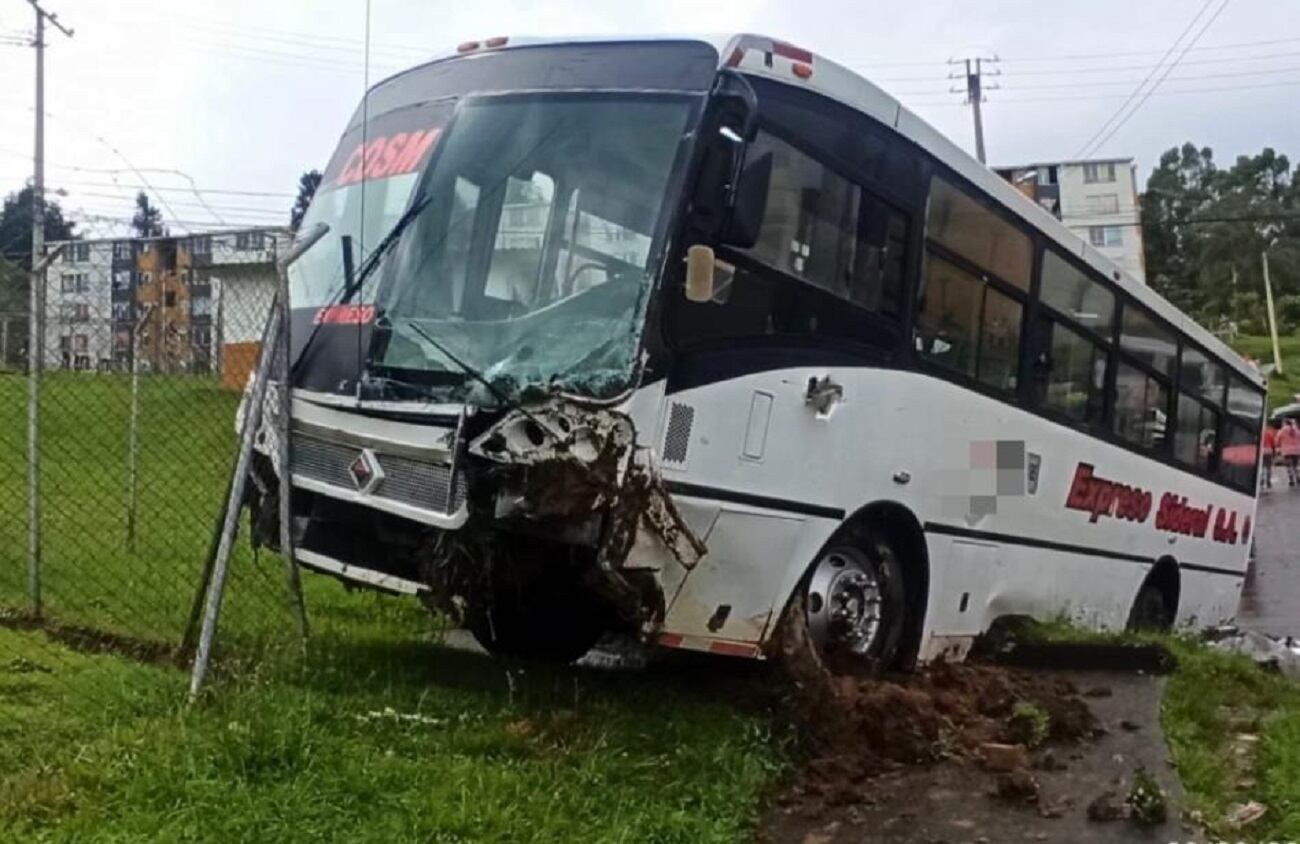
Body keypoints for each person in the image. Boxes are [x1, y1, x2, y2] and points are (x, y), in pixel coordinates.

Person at [1278, 418, 1300, 487]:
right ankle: (1298, 477)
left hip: (1286, 451)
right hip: (1296, 451)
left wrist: (1279, 446)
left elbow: (1277, 439)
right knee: (1296, 465)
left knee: (1289, 466)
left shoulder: (1282, 430)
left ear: (1285, 423)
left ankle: (1291, 480)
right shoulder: (1297, 430)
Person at [1262, 421, 1279, 489]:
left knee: (1261, 467)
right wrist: (1274, 452)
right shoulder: (1269, 433)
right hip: (1269, 451)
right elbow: (1273, 444)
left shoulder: (1259, 433)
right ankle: (1268, 481)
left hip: (1261, 451)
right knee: (1268, 467)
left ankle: (1261, 480)